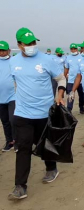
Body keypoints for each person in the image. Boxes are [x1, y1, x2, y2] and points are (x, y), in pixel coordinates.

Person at [8, 28, 66, 200]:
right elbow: (14, 83)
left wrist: (60, 96)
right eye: (28, 43)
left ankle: (51, 168)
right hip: (23, 113)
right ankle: (20, 186)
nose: (32, 46)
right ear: (19, 45)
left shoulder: (47, 60)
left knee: (45, 144)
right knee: (23, 148)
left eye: (34, 42)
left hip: (44, 113)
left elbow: (61, 79)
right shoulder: (13, 62)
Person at [0, 40, 16, 152]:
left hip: (13, 96)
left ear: (9, 51)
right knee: (5, 121)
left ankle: (17, 141)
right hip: (1, 97)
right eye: (0, 51)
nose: (1, 53)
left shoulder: (14, 61)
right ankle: (9, 141)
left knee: (13, 119)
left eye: (4, 51)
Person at [64, 43, 84, 114]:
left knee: (81, 96)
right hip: (71, 80)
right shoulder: (68, 58)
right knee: (71, 95)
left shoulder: (82, 57)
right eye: (72, 49)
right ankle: (69, 110)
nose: (73, 50)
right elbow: (66, 68)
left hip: (80, 80)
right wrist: (64, 77)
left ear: (77, 49)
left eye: (74, 49)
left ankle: (81, 108)